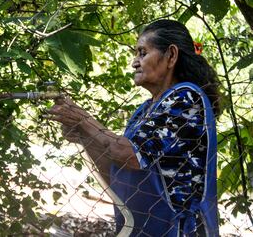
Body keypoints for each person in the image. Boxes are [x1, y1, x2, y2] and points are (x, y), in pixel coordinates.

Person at [46, 19, 220, 236]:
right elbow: (118, 170)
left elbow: (128, 154)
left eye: (142, 53)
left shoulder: (185, 97)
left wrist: (84, 119)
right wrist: (85, 136)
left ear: (171, 56)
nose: (134, 62)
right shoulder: (145, 110)